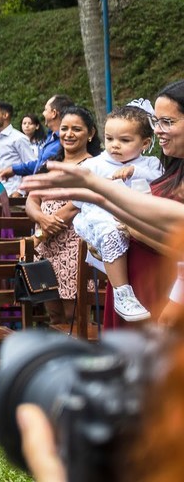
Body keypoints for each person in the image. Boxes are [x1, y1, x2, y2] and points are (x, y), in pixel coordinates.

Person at [74, 106, 163, 321]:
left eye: (124, 140)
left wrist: (135, 171)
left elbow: (158, 180)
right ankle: (122, 292)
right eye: (110, 138)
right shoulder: (94, 164)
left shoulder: (150, 164)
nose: (115, 145)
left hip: (137, 223)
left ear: (145, 143)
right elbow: (77, 198)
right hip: (100, 215)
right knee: (110, 231)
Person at [24, 106, 102, 326]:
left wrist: (43, 230)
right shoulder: (50, 165)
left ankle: (82, 358)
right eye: (64, 128)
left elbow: (74, 206)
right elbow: (32, 199)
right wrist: (40, 218)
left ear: (91, 133)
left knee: (74, 315)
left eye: (76, 129)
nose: (69, 134)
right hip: (47, 247)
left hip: (75, 246)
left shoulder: (94, 166)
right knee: (55, 315)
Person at [1, 95, 74, 183]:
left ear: (54, 113)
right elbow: (41, 164)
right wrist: (14, 169)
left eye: (46, 109)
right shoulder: (51, 136)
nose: (43, 113)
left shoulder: (66, 142)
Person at [0, 101, 26, 196]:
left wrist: (20, 192)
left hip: (13, 194)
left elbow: (32, 166)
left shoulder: (19, 138)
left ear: (5, 115)